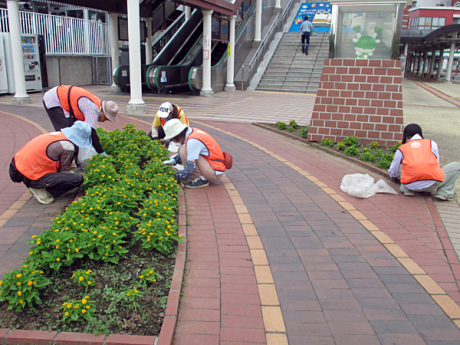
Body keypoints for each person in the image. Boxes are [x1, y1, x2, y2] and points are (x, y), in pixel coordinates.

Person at [9, 121, 93, 204]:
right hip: (32, 176)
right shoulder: (67, 147)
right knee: (76, 179)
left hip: (16, 168)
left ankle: (35, 183)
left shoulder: (57, 135)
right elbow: (65, 172)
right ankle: (43, 191)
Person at [388, 124, 460, 200]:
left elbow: (393, 170)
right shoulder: (432, 143)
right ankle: (444, 193)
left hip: (410, 184)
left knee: (402, 165)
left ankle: (407, 190)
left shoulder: (402, 148)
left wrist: (395, 177)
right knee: (457, 166)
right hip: (433, 183)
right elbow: (436, 164)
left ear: (406, 137)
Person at [43, 85, 119, 156]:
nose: (104, 121)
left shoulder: (96, 103)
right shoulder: (93, 109)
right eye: (106, 118)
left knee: (73, 133)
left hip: (62, 99)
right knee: (67, 136)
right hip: (53, 99)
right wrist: (101, 152)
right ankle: (65, 163)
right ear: (103, 112)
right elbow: (91, 133)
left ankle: (72, 159)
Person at [162, 119, 231, 188]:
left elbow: (190, 167)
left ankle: (201, 179)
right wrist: (174, 160)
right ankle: (200, 176)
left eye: (173, 138)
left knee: (183, 150)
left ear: (178, 135)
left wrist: (176, 176)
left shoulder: (193, 141)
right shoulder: (192, 132)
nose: (173, 140)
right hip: (214, 166)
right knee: (183, 149)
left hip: (214, 172)